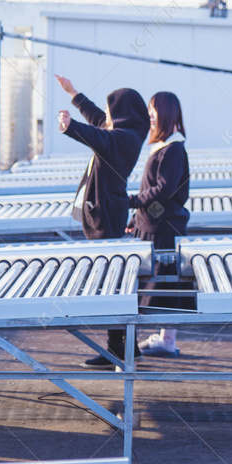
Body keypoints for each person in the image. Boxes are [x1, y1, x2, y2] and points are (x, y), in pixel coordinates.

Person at [54, 74, 149, 368]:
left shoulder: (121, 140)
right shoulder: (127, 133)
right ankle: (125, 347)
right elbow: (98, 121)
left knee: (113, 285)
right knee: (116, 283)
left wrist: (70, 128)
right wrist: (74, 93)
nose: (105, 117)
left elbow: (98, 135)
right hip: (108, 213)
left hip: (106, 216)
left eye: (110, 112)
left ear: (119, 114)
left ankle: (115, 350)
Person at [127, 91, 192, 357]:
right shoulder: (166, 146)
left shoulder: (173, 149)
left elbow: (164, 190)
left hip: (164, 229)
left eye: (153, 111)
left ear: (166, 113)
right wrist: (136, 218)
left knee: (162, 286)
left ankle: (165, 341)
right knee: (162, 286)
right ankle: (165, 340)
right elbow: (157, 193)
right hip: (155, 225)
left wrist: (130, 202)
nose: (149, 116)